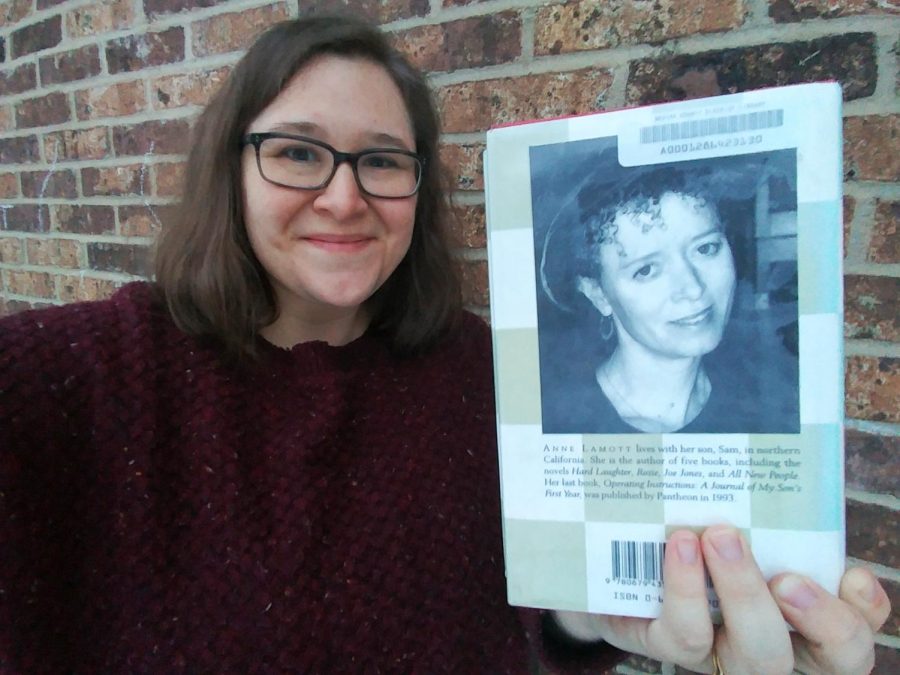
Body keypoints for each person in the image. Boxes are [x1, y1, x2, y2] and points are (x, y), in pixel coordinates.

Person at [0, 15, 888, 674]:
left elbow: (527, 618)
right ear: (229, 170)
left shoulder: (489, 375)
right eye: (298, 154)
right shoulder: (91, 374)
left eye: (382, 161)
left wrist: (591, 621)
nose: (345, 199)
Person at [539, 163, 798, 434]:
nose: (693, 287)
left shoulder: (770, 404)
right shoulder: (562, 424)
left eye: (706, 248)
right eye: (647, 270)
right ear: (598, 294)